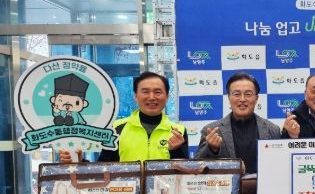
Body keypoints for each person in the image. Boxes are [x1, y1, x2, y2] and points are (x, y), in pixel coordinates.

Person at [59, 72, 187, 163]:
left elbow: (185, 173)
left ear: (167, 97)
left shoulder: (178, 131)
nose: (152, 97)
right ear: (135, 96)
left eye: (158, 92)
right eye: (145, 92)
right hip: (126, 193)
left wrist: (176, 151)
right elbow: (104, 168)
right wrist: (80, 162)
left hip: (164, 193)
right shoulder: (116, 128)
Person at [195, 72, 280, 173]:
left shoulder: (272, 130)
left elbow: (279, 166)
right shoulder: (212, 131)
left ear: (256, 98)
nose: (242, 99)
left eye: (248, 94)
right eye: (236, 94)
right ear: (229, 97)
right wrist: (212, 149)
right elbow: (196, 167)